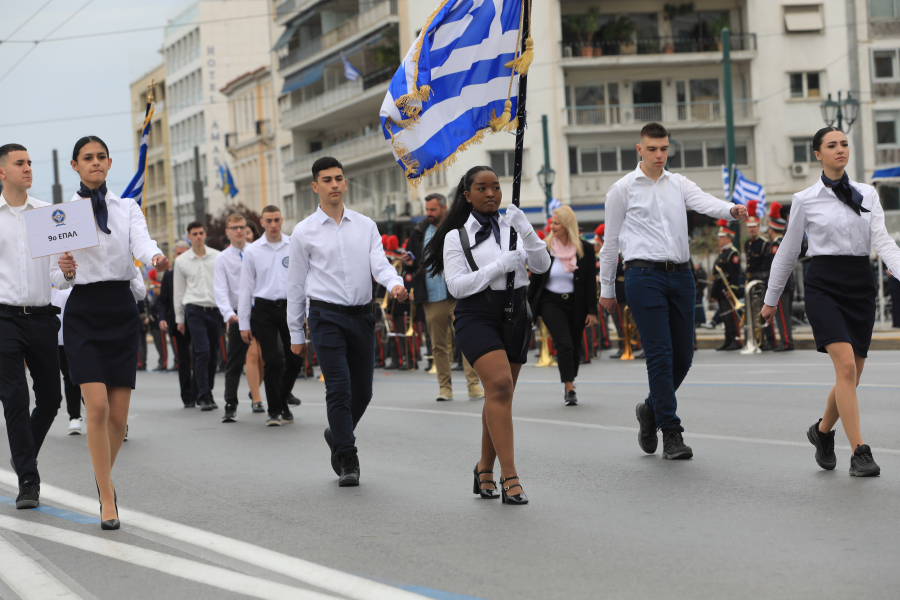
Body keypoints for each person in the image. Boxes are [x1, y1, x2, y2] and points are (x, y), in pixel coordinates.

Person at [599, 123, 747, 460]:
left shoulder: (679, 183)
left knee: (684, 356)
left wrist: (731, 210)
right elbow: (610, 244)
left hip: (681, 276)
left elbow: (706, 202)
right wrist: (607, 288)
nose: (659, 155)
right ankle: (671, 432)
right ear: (639, 149)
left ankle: (650, 409)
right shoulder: (622, 189)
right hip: (642, 276)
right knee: (660, 354)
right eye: (652, 149)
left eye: (664, 149)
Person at [761, 126, 900, 477]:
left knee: (851, 377)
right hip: (823, 285)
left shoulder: (867, 194)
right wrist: (770, 298)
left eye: (844, 144)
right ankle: (859, 452)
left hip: (860, 285)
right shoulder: (804, 199)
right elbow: (788, 252)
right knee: (846, 368)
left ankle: (822, 432)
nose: (840, 149)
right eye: (832, 145)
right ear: (817, 154)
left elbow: (883, 242)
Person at [56, 136, 170, 530]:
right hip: (83, 311)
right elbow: (56, 275)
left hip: (121, 310)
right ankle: (107, 496)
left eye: (101, 157)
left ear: (108, 162)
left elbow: (141, 241)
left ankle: (101, 474)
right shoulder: (63, 214)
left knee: (119, 419)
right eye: (87, 158)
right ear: (75, 165)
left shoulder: (127, 207)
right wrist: (66, 269)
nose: (96, 163)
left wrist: (155, 257)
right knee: (98, 408)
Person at [423, 165, 550, 505]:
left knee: (499, 396)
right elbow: (456, 286)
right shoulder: (456, 236)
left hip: (516, 313)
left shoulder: (513, 226)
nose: (491, 193)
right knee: (501, 386)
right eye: (482, 187)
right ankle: (511, 477)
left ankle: (484, 469)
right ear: (467, 195)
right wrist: (499, 266)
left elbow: (542, 266)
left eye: (496, 186)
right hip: (477, 314)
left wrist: (526, 228)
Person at [287, 157, 407, 487]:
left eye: (339, 178)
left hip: (361, 316)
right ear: (316, 186)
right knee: (338, 387)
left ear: (345, 182)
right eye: (327, 180)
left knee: (363, 392)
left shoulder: (365, 225)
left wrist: (394, 283)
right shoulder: (303, 232)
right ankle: (347, 457)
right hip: (325, 317)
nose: (335, 184)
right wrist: (296, 333)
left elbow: (380, 264)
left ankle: (337, 432)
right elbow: (295, 285)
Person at [0, 143, 68, 509]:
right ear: (2, 172)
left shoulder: (46, 215)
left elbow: (57, 274)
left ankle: (22, 454)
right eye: (19, 163)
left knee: (51, 398)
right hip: (3, 320)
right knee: (14, 397)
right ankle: (28, 479)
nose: (27, 168)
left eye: (29, 162)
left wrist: (67, 272)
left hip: (42, 316)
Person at [402, 193, 484, 402]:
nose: (429, 213)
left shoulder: (457, 228)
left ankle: (473, 385)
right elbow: (410, 263)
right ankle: (445, 388)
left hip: (457, 295)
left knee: (467, 341)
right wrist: (408, 262)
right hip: (431, 298)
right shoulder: (419, 232)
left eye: (433, 210)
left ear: (444, 208)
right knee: (438, 346)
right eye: (427, 210)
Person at [527, 205, 598, 406]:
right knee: (564, 344)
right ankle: (569, 388)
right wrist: (528, 308)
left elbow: (590, 282)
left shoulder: (585, 249)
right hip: (551, 303)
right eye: (552, 223)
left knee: (575, 346)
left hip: (576, 304)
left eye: (556, 223)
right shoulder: (545, 248)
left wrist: (592, 311)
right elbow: (536, 280)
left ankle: (570, 378)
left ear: (567, 225)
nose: (552, 226)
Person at [239, 205, 302, 427]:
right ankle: (274, 411)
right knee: (272, 360)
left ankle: (282, 400)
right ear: (262, 222)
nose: (273, 225)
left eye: (276, 220)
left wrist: (306, 312)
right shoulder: (253, 251)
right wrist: (244, 323)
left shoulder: (294, 245)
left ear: (282, 220)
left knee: (295, 358)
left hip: (290, 307)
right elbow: (245, 288)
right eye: (269, 221)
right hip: (264, 309)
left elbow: (304, 279)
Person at [174, 221, 221, 411]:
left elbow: (224, 285)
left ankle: (208, 390)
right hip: (193, 309)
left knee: (214, 354)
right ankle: (203, 395)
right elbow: (179, 291)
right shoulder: (182, 261)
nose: (199, 236)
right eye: (195, 234)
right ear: (189, 237)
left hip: (214, 309)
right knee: (203, 351)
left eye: (201, 233)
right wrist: (179, 319)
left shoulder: (217, 257)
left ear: (205, 234)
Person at [214, 213, 250, 422]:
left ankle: (279, 401)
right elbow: (220, 289)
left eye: (242, 227)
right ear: (227, 232)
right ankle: (230, 404)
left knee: (277, 356)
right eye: (235, 228)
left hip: (260, 312)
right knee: (234, 362)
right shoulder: (222, 259)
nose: (239, 231)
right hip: (238, 314)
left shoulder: (256, 251)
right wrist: (229, 314)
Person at [158, 242, 196, 407]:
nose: (181, 257)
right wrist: (162, 318)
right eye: (178, 254)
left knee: (201, 357)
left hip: (197, 319)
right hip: (177, 323)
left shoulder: (196, 272)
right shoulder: (169, 276)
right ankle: (187, 397)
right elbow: (163, 300)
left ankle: (201, 393)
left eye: (184, 253)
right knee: (184, 360)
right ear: (174, 256)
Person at [242, 223, 266, 413]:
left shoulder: (260, 252)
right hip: (244, 310)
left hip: (262, 309)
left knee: (265, 358)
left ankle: (254, 389)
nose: (245, 235)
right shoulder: (228, 256)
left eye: (248, 232)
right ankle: (257, 399)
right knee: (253, 354)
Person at [51, 286, 83, 435]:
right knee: (69, 377)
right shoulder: (51, 281)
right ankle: (75, 416)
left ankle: (92, 409)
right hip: (59, 338)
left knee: (88, 376)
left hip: (82, 336)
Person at [763, 203, 795, 352]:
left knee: (782, 316)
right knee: (785, 314)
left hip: (781, 285)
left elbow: (776, 267)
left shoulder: (776, 244)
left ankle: (787, 342)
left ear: (771, 229)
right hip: (788, 283)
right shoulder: (784, 241)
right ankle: (787, 341)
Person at [709, 221, 742, 351]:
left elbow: (734, 274)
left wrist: (733, 289)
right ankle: (728, 340)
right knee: (724, 316)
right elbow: (717, 275)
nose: (719, 239)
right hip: (720, 290)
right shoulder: (723, 253)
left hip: (728, 290)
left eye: (721, 237)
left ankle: (736, 340)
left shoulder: (732, 253)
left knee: (730, 317)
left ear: (729, 238)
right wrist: (714, 293)